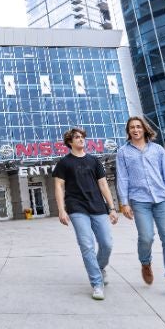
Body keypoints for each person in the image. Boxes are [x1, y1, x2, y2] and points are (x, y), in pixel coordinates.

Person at [115, 117, 165, 299]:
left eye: (138, 126)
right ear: (128, 131)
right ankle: (145, 263)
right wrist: (124, 203)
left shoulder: (157, 150)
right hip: (139, 201)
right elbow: (122, 178)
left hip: (162, 199)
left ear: (144, 129)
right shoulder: (123, 152)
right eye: (132, 127)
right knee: (146, 237)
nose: (135, 129)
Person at [53, 127, 118, 301]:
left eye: (82, 137)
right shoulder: (64, 163)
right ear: (70, 142)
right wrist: (61, 210)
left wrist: (112, 208)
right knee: (87, 245)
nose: (81, 139)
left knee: (107, 243)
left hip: (97, 206)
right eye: (77, 137)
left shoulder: (94, 161)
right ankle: (97, 284)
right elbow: (59, 187)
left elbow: (103, 185)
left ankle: (100, 266)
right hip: (77, 207)